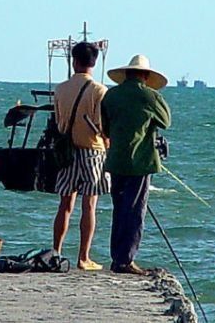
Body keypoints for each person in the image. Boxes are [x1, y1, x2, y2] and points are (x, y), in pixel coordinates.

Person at [101, 54, 171, 275]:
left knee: (119, 210)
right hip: (140, 162)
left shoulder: (111, 96)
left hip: (116, 160)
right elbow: (166, 121)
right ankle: (126, 260)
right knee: (135, 211)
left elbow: (105, 129)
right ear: (145, 75)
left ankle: (117, 257)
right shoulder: (150, 96)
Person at [52, 42, 111, 271]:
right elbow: (102, 125)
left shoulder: (60, 89)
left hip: (67, 151)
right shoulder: (99, 90)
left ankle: (56, 252)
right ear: (94, 63)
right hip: (92, 151)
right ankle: (83, 258)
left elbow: (58, 122)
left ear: (73, 61)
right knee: (89, 205)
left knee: (65, 204)